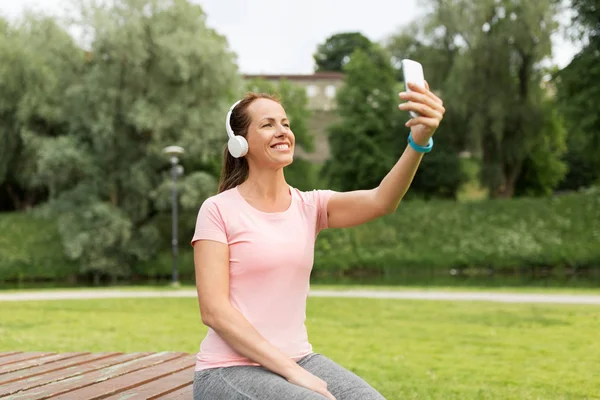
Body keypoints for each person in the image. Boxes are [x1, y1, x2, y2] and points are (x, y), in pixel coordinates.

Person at [191, 81, 445, 399]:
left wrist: (419, 141)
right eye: (267, 125)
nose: (282, 131)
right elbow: (213, 311)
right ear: (240, 143)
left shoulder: (310, 206)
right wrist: (291, 371)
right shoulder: (218, 210)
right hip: (227, 370)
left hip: (299, 358)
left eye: (285, 123)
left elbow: (382, 200)